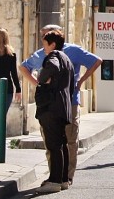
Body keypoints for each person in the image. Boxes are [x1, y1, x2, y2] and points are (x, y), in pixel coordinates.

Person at [21, 24, 103, 184]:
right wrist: (38, 83)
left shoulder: (71, 51)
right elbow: (24, 67)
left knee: (69, 140)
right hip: (51, 104)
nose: (43, 41)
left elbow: (96, 61)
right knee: (52, 141)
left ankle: (67, 176)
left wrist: (80, 81)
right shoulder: (42, 54)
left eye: (46, 37)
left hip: (70, 102)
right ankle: (56, 175)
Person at [33, 29, 75, 194]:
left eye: (45, 45)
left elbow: (50, 70)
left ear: (53, 44)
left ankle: (55, 180)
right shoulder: (67, 59)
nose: (44, 49)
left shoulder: (54, 56)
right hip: (63, 107)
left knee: (53, 144)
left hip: (51, 106)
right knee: (61, 144)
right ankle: (63, 179)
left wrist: (41, 76)